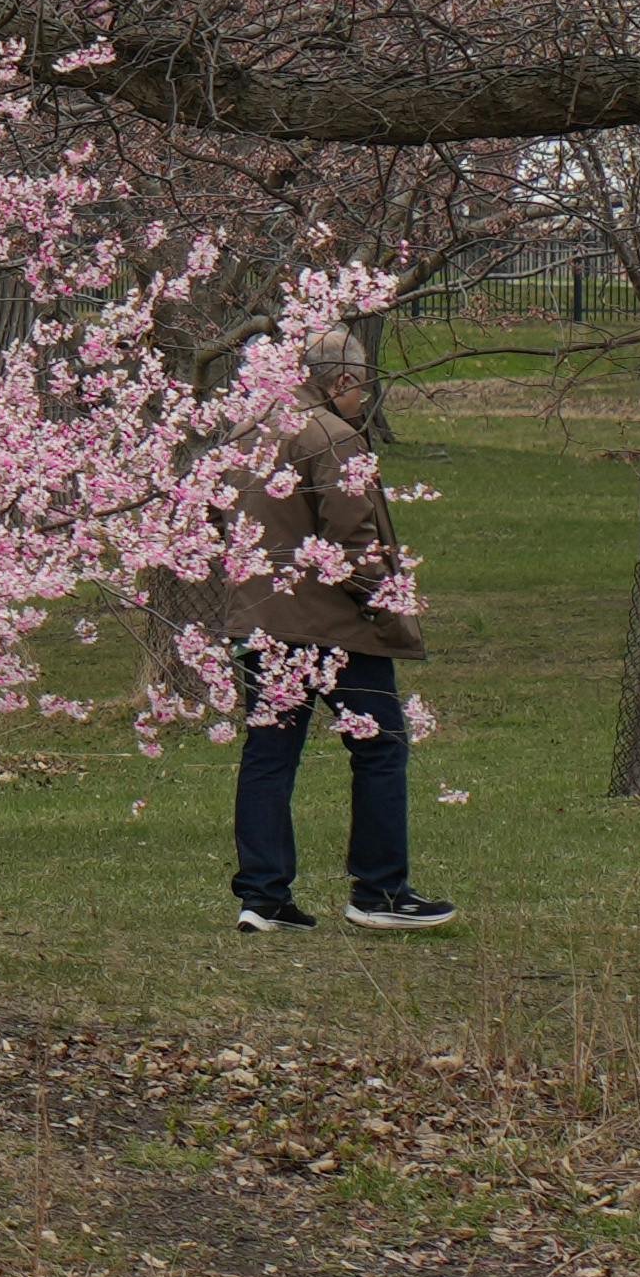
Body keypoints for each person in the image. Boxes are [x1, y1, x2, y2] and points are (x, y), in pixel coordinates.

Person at [203, 343, 455, 932]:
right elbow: (354, 542)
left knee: (269, 755)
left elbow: (218, 518)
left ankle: (262, 898)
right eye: (360, 387)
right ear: (341, 379)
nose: (361, 399)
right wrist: (386, 608)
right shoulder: (331, 437)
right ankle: (380, 890)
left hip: (265, 622)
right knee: (380, 747)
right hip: (335, 625)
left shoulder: (245, 431)